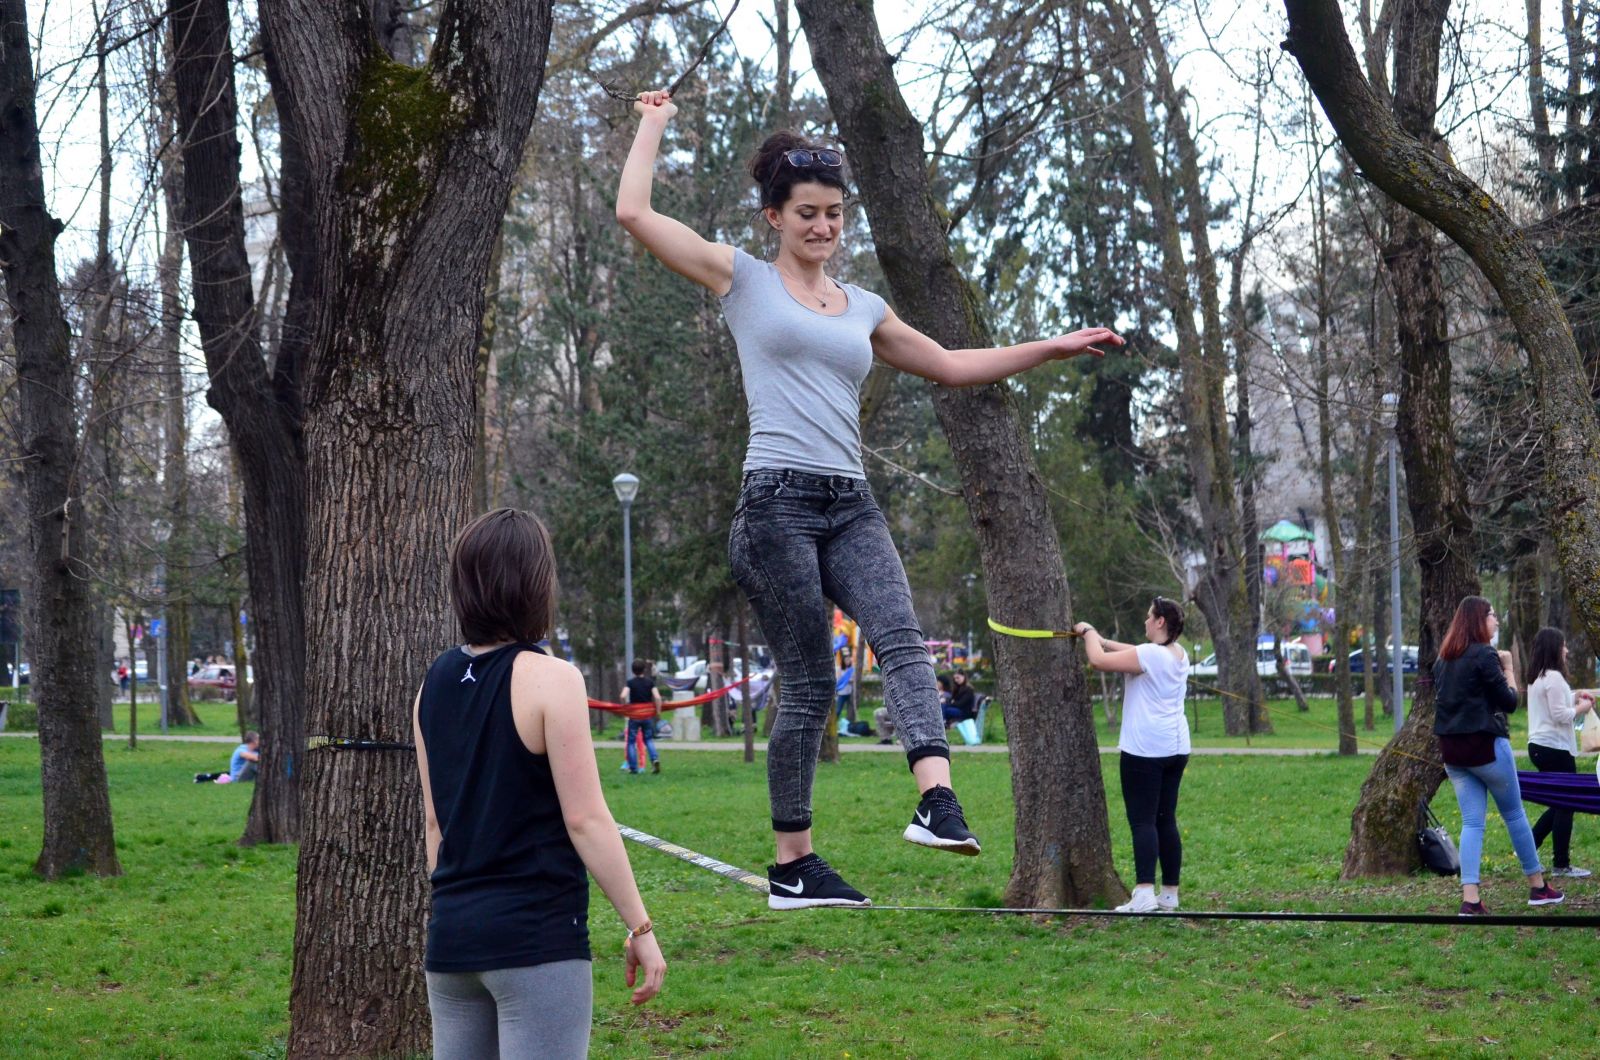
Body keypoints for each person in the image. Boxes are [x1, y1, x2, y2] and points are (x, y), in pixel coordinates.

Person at [616, 89, 1123, 909]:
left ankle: (935, 798)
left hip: (849, 501)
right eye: (807, 213)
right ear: (774, 217)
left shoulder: (866, 309)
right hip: (774, 505)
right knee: (811, 684)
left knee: (905, 641)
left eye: (835, 215)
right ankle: (793, 865)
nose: (823, 228)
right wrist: (654, 123)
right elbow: (635, 214)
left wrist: (1052, 347)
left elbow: (953, 365)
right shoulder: (739, 278)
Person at [413, 508, 666, 1058]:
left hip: (452, 940)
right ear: (535, 585)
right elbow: (586, 819)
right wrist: (641, 929)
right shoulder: (552, 679)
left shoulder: (431, 684)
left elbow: (435, 823)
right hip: (535, 939)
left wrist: (461, 910)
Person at [1432, 596, 1563, 914]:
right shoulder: (1484, 655)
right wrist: (1508, 666)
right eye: (1492, 615)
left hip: (1453, 753)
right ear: (1479, 620)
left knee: (1472, 822)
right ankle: (1537, 887)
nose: (1497, 620)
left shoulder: (1442, 660)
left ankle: (1471, 899)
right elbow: (1508, 702)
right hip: (1487, 748)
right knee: (1515, 815)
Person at [1077, 597, 1191, 914]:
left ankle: (1143, 893)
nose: (1144, 621)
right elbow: (1134, 651)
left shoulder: (1152, 655)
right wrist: (1102, 639)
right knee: (1165, 820)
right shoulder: (1177, 654)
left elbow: (1097, 661)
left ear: (1159, 622)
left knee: (1142, 821)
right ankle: (1169, 894)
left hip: (1145, 750)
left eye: (1148, 617)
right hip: (1176, 748)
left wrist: (1088, 633)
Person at [1524, 627, 1595, 878]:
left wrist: (1576, 696)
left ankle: (1528, 849)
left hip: (1540, 746)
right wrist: (1583, 707)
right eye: (1563, 645)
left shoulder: (1537, 678)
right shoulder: (1553, 677)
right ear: (1555, 648)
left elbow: (1556, 704)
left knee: (1557, 803)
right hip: (1555, 748)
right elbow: (1560, 714)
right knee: (1566, 802)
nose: (1567, 649)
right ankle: (1561, 864)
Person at [625, 659, 663, 775]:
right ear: (644, 670)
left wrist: (625, 707)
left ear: (633, 671)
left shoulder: (630, 683)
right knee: (649, 739)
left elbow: (623, 695)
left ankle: (633, 768)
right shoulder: (650, 682)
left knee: (631, 742)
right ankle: (654, 759)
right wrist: (658, 711)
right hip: (647, 716)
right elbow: (657, 697)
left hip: (635, 715)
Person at [195, 730, 259, 784]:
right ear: (254, 741)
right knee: (252, 762)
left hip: (247, 776)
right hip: (238, 779)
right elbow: (254, 758)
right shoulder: (241, 750)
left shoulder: (256, 750)